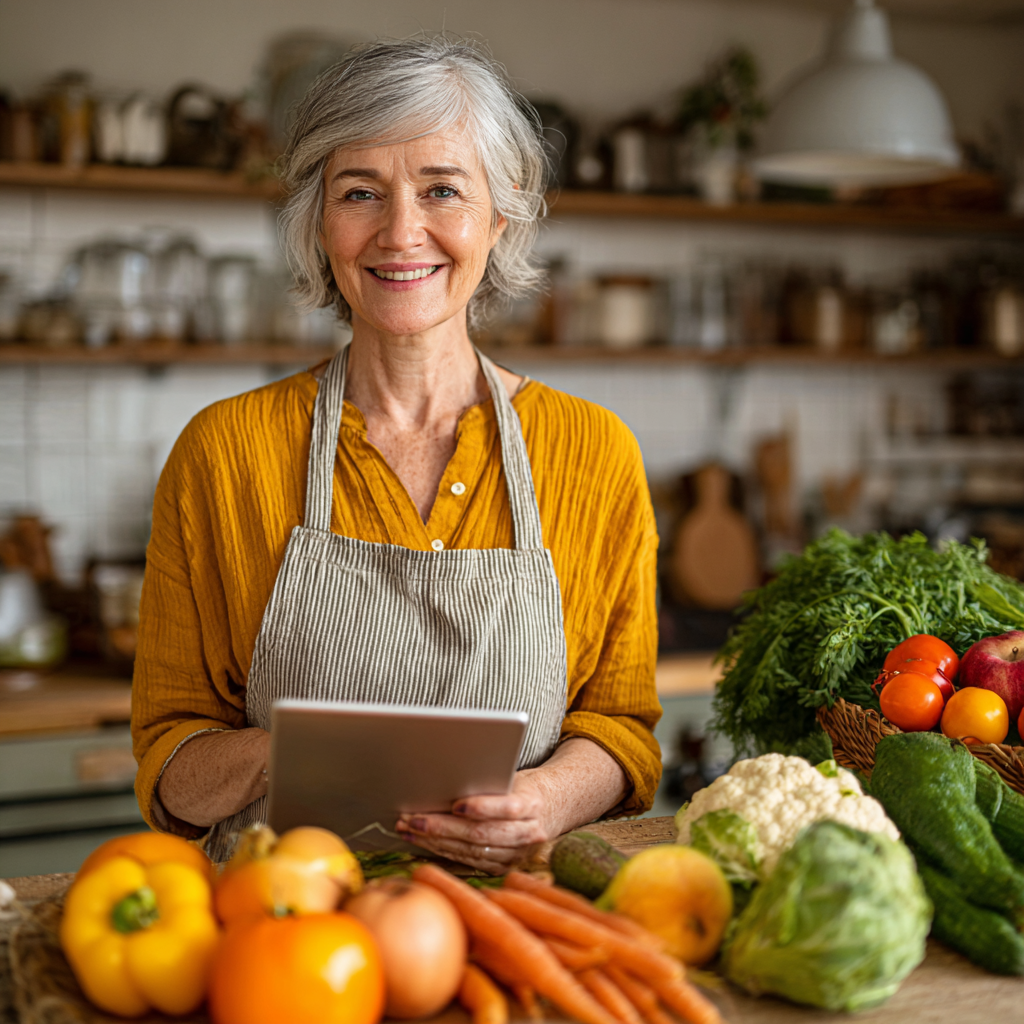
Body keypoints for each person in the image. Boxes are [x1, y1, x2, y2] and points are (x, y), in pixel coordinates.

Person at [131, 36, 661, 870]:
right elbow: (170, 769)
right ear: (319, 223)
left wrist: (547, 800)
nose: (401, 232)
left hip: (512, 925)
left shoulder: (594, 452)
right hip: (284, 926)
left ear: (500, 214)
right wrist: (291, 754)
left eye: (442, 189)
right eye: (360, 193)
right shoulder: (223, 452)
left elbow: (622, 729)